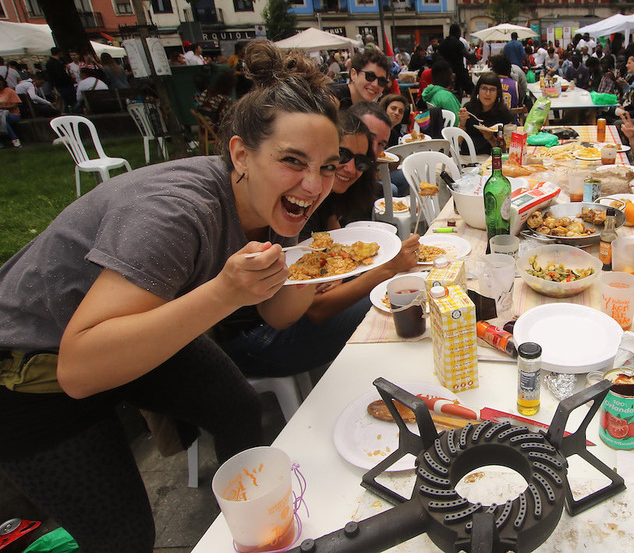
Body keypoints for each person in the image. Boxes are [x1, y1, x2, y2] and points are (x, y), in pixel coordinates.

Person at [0, 39, 342, 552]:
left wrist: (318, 268)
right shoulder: (175, 213)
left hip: (135, 329)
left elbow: (276, 312)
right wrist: (225, 293)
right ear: (241, 154)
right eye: (294, 160)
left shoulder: (280, 202)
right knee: (124, 537)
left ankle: (247, 532)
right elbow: (78, 368)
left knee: (237, 408)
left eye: (328, 166)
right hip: (31, 373)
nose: (314, 185)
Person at [219, 112, 420, 377]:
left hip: (279, 317)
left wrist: (340, 270)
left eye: (362, 161)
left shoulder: (325, 198)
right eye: (342, 157)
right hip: (253, 339)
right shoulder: (297, 204)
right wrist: (387, 269)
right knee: (391, 304)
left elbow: (335, 257)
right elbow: (316, 308)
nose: (350, 168)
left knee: (398, 292)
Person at [457, 72, 514, 155]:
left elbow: (504, 150)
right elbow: (458, 141)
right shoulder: (469, 108)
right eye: (484, 88)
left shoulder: (503, 113)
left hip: (491, 158)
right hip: (467, 156)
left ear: (497, 93)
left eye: (492, 89)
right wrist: (462, 123)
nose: (487, 93)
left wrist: (490, 138)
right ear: (478, 90)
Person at [437, 23, 475, 96]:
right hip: (459, 71)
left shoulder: (442, 44)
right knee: (472, 90)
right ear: (457, 32)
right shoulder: (458, 43)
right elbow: (468, 56)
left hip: (446, 72)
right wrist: (474, 53)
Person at [45, 47, 76, 111]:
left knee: (66, 100)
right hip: (64, 84)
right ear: (59, 53)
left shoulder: (50, 62)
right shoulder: (57, 63)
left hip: (58, 85)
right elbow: (60, 74)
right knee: (70, 99)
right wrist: (70, 76)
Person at [0, 79, 22, 148]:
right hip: (1, 115)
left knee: (2, 119)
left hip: (13, 114)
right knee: (3, 120)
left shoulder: (9, 91)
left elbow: (15, 105)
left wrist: (3, 108)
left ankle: (15, 140)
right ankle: (14, 140)